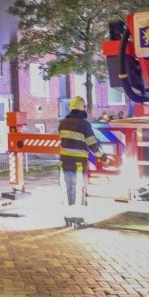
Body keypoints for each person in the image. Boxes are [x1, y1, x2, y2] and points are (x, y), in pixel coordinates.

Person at [58, 95, 105, 228]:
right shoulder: (84, 125)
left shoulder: (62, 123)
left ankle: (68, 218)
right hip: (78, 164)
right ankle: (78, 220)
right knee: (79, 190)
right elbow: (92, 144)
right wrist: (102, 156)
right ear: (81, 108)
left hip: (64, 163)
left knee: (67, 191)